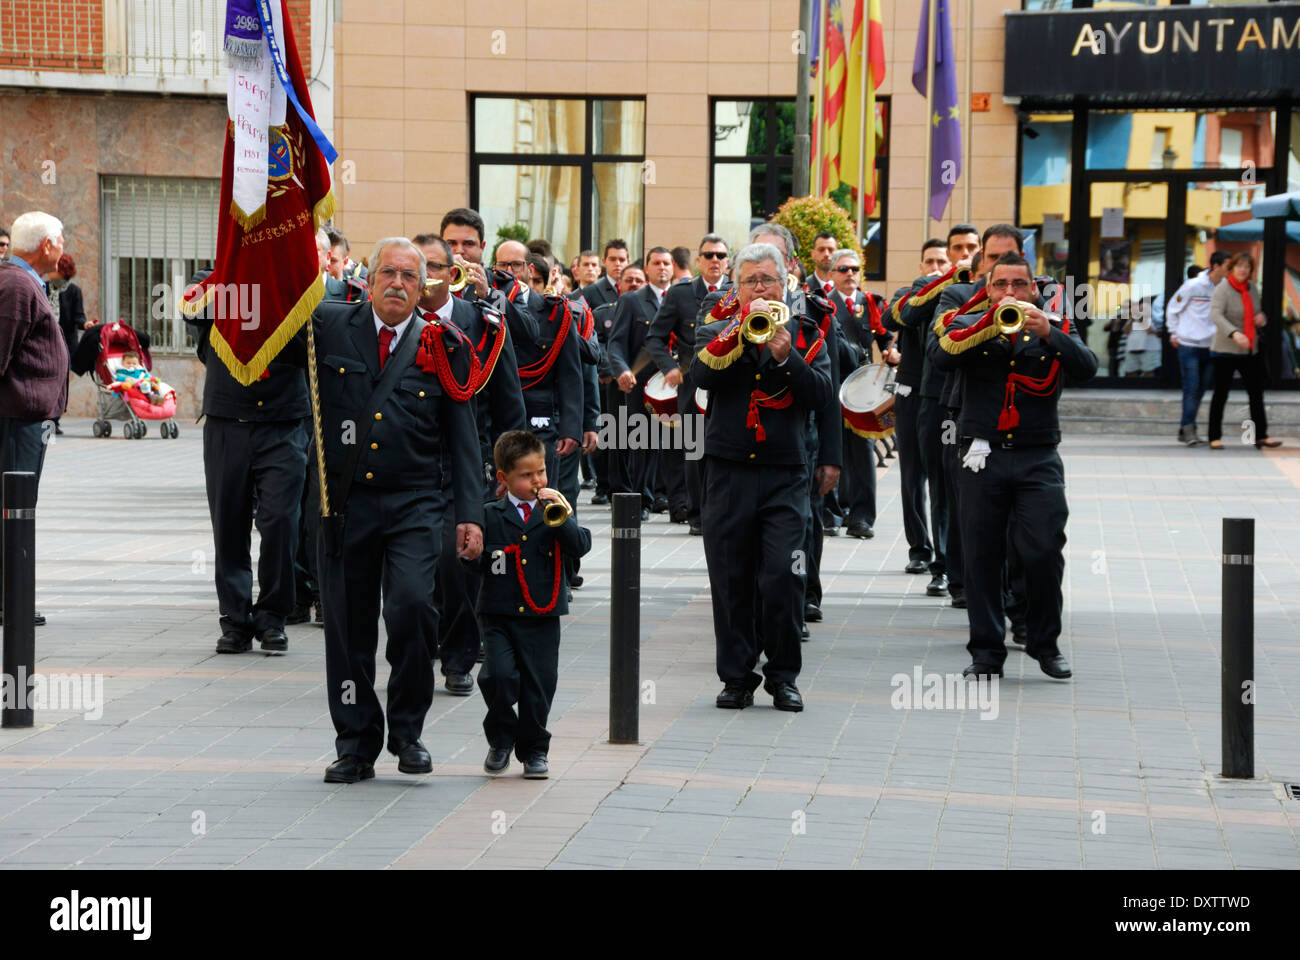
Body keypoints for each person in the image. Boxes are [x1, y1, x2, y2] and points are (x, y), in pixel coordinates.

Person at [311, 237, 484, 784]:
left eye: (411, 277)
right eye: (389, 273)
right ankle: (356, 743)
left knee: (412, 610)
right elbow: (268, 329)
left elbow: (464, 438)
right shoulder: (329, 327)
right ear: (369, 279)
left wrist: (470, 514)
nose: (399, 285)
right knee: (347, 627)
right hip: (345, 505)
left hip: (415, 503)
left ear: (424, 287)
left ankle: (407, 732)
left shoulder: (444, 343)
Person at [929, 253, 1097, 680]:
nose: (1010, 293)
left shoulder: (1054, 323)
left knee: (1043, 550)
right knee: (981, 556)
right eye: (1000, 284)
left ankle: (1044, 643)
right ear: (987, 290)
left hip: (1037, 453)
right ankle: (986, 652)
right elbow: (940, 357)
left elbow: (1087, 367)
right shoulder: (968, 324)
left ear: (1033, 288)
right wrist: (987, 325)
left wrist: (1050, 333)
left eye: (1018, 285)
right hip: (981, 453)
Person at [693, 242, 834, 712]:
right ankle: (736, 677)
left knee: (784, 575)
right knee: (731, 578)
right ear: (736, 286)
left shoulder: (807, 330)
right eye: (750, 280)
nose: (759, 288)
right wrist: (735, 336)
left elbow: (822, 395)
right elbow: (698, 379)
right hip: (729, 469)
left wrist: (785, 357)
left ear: (784, 283)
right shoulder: (715, 327)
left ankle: (783, 675)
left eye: (767, 280)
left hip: (785, 472)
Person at [417, 233, 526, 695]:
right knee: (411, 574)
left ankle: (459, 656)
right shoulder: (392, 319)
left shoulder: (481, 320)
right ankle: (414, 652)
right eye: (417, 267)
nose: (426, 278)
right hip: (407, 462)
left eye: (436, 267)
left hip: (468, 461)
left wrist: (509, 467)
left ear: (452, 271)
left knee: (458, 561)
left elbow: (507, 399)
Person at [186, 264, 309, 657]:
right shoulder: (217, 279)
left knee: (280, 524)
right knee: (229, 523)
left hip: (283, 422)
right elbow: (191, 308)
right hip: (228, 421)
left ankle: (272, 617)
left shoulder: (297, 283)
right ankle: (235, 620)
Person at [476, 430, 591, 779]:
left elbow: (580, 545)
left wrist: (562, 517)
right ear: (503, 478)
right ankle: (501, 738)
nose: (536, 480)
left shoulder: (552, 509)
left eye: (540, 472)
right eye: (526, 475)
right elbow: (473, 561)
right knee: (497, 676)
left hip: (543, 614)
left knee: (539, 686)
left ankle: (535, 750)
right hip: (499, 613)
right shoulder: (490, 514)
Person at [0, 211, 67, 630]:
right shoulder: (16, 284)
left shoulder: (21, 282)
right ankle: (12, 601)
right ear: (45, 245)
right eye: (61, 240)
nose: (63, 247)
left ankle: (13, 598)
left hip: (25, 420)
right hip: (15, 421)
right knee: (14, 511)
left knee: (17, 510)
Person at [645, 234, 731, 535]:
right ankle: (697, 515)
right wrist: (668, 367)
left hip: (728, 385)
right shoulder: (681, 293)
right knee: (694, 451)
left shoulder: (738, 292)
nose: (715, 261)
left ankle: (722, 511)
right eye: (709, 255)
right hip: (692, 383)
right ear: (699, 260)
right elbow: (655, 336)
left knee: (724, 449)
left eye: (720, 255)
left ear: (728, 261)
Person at [885, 239, 949, 587]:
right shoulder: (908, 294)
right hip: (910, 394)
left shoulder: (959, 296)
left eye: (942, 260)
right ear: (921, 264)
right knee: (911, 477)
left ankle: (943, 558)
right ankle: (918, 549)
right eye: (930, 261)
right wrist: (926, 293)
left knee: (941, 479)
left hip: (940, 397)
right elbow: (890, 318)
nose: (936, 266)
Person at [609, 248, 675, 520]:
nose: (662, 268)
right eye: (656, 263)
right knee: (645, 443)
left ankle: (673, 497)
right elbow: (616, 343)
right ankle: (643, 500)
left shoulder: (682, 298)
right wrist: (623, 370)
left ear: (673, 267)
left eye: (666, 263)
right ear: (647, 268)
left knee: (681, 442)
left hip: (677, 383)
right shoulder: (633, 301)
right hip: (644, 385)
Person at [1208, 252, 1282, 450]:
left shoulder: (1252, 288)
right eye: (1239, 266)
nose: (1243, 270)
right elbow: (1216, 314)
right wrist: (1234, 333)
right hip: (1226, 349)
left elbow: (1256, 311)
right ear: (1232, 268)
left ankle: (1261, 436)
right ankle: (1214, 437)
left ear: (1251, 271)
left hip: (1249, 349)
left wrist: (1261, 319)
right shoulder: (1223, 288)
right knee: (1221, 394)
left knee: (1256, 394)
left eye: (1247, 267)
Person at [1166, 252, 1229, 446]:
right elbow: (1173, 308)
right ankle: (1188, 429)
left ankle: (1185, 427)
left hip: (1211, 346)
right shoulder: (1193, 285)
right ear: (1216, 266)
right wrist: (1173, 332)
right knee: (1191, 387)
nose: (1231, 270)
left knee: (1201, 389)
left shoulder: (1225, 287)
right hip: (1189, 345)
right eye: (1228, 266)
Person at [808, 232, 838, 298]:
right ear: (813, 254)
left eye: (831, 250)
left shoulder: (846, 288)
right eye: (821, 250)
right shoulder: (802, 288)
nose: (826, 254)